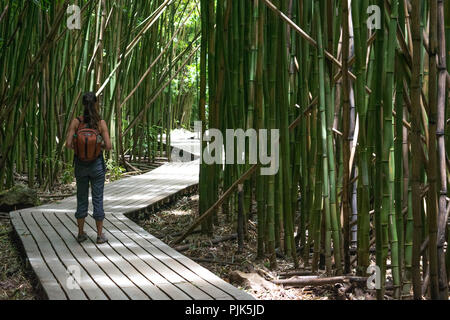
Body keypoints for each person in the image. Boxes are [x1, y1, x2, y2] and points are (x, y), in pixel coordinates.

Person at [65, 92, 112, 244]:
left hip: (80, 165)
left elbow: (68, 144)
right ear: (96, 104)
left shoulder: (76, 122)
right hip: (97, 165)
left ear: (83, 104)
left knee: (81, 197)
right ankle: (99, 235)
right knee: (98, 199)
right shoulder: (100, 123)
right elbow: (109, 146)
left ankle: (80, 234)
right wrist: (98, 146)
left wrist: (80, 148)